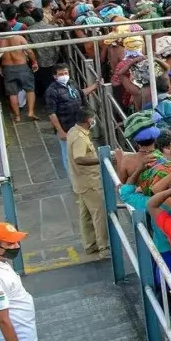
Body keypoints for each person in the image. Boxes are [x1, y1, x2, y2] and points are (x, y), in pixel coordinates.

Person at [0, 222, 36, 341]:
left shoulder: (3, 263)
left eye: (16, 242)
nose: (16, 246)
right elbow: (3, 320)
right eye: (9, 244)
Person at [66, 108, 109, 256]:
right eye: (92, 119)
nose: (93, 121)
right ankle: (104, 246)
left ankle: (90, 245)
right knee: (99, 213)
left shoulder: (73, 131)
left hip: (81, 181)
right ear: (88, 120)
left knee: (85, 215)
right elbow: (79, 158)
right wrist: (102, 159)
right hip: (89, 182)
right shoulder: (79, 137)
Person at [44, 64, 101, 174]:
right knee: (68, 154)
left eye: (66, 73)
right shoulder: (52, 91)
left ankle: (85, 172)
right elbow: (51, 113)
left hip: (80, 125)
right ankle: (73, 178)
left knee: (84, 148)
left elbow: (80, 94)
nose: (64, 76)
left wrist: (94, 86)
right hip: (66, 127)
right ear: (55, 76)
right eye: (61, 74)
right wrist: (60, 131)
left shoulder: (72, 83)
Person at [0, 24, 37, 123]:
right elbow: (30, 52)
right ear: (11, 29)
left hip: (7, 68)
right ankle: (30, 112)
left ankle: (17, 116)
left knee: (12, 93)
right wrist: (34, 62)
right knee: (30, 89)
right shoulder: (19, 37)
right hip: (22, 67)